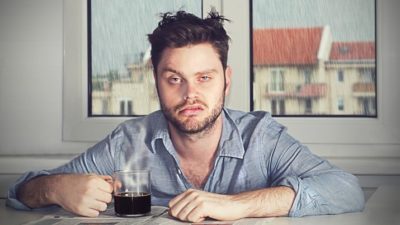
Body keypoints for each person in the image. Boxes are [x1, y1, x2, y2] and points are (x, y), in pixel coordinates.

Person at [7, 10, 365, 223]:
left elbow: (346, 190)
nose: (190, 93)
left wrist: (237, 205)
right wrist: (55, 187)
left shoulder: (262, 137)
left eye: (204, 78)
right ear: (156, 82)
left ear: (226, 80)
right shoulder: (128, 143)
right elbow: (20, 192)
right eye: (174, 78)